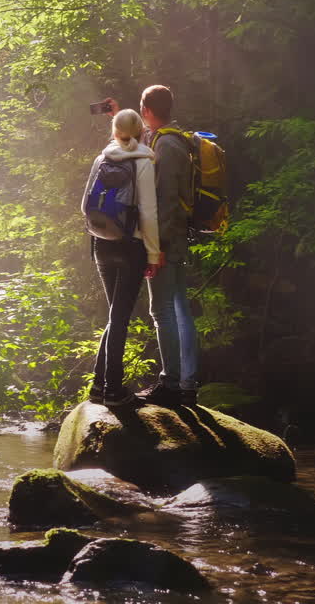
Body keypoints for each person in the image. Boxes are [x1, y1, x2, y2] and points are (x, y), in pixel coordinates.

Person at [103, 85, 198, 407]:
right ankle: (185, 383)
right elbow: (132, 137)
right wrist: (118, 115)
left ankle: (172, 384)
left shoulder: (167, 145)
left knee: (163, 310)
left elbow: (167, 201)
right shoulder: (165, 138)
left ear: (147, 111)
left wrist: (159, 249)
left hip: (168, 240)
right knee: (178, 308)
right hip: (172, 237)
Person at [82, 108, 161, 407]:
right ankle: (113, 389)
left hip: (101, 243)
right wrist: (153, 253)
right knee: (120, 318)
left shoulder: (101, 158)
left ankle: (98, 387)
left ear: (114, 132)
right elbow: (149, 213)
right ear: (141, 132)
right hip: (131, 245)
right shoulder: (143, 161)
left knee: (114, 315)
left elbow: (84, 207)